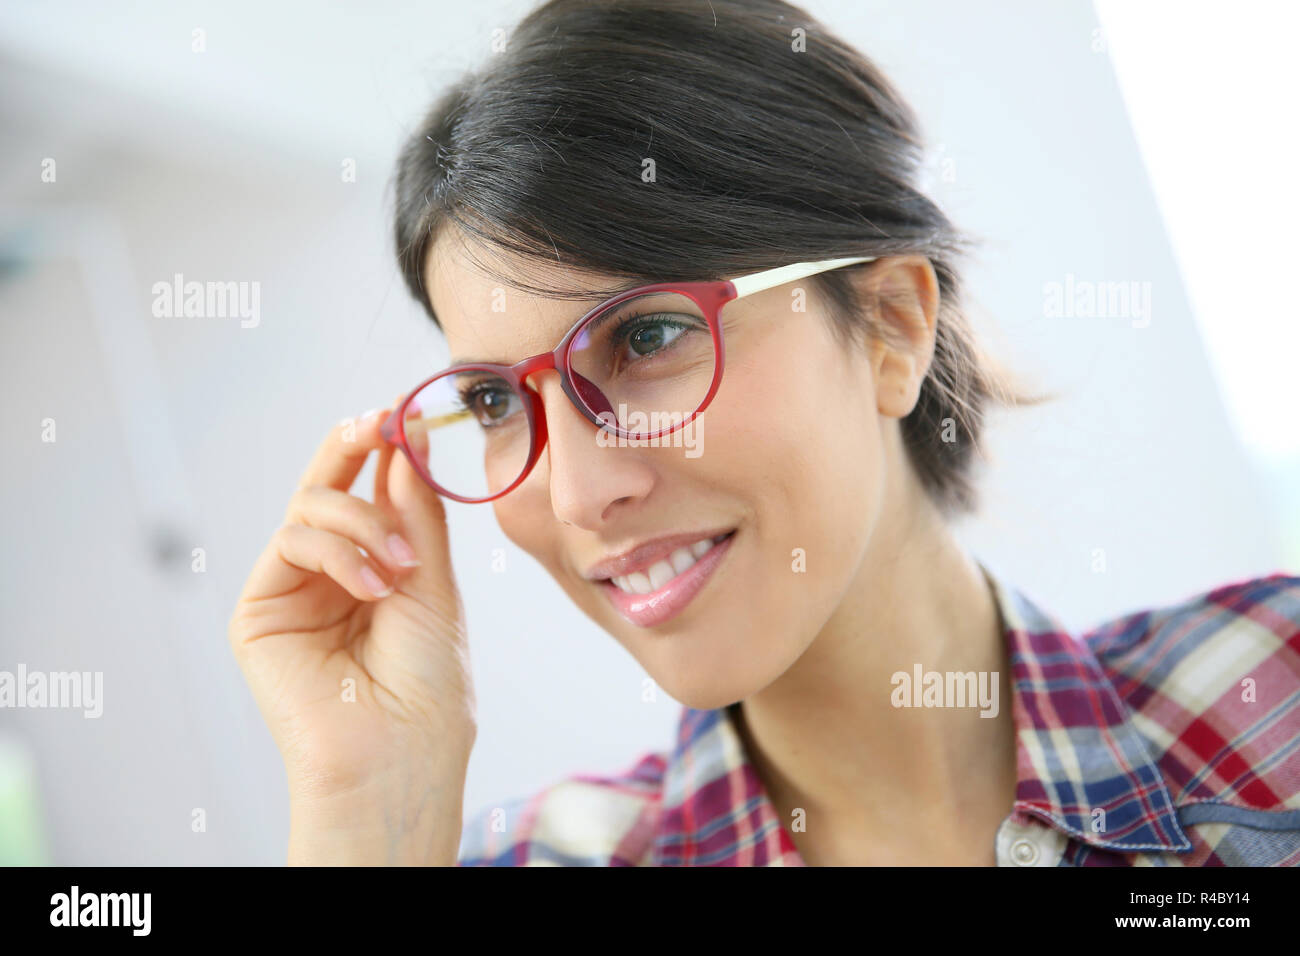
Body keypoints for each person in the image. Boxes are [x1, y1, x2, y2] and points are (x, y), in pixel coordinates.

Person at [228, 0, 1300, 866]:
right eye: (500, 403)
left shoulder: (1274, 693)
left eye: (646, 335)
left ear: (889, 324)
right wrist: (365, 817)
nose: (576, 494)